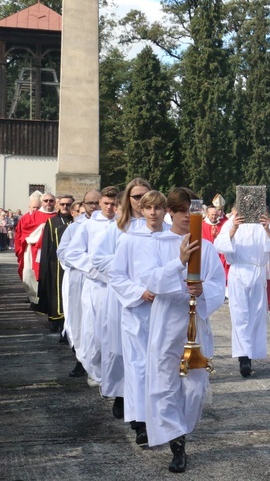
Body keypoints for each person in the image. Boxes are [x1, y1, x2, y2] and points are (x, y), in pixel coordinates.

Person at [139, 188, 225, 473]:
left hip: (194, 322)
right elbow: (150, 279)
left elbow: (218, 284)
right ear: (170, 212)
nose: (188, 216)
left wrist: (203, 290)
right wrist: (178, 263)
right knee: (164, 383)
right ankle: (177, 445)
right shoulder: (156, 243)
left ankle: (183, 429)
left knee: (194, 387)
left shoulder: (207, 246)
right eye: (182, 210)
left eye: (192, 210)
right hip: (167, 320)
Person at [110, 190, 169, 446]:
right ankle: (140, 421)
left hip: (165, 311)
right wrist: (139, 292)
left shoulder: (172, 239)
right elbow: (116, 275)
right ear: (142, 211)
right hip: (137, 311)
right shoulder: (129, 239)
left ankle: (161, 417)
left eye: (158, 208)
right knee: (138, 366)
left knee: (162, 365)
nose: (153, 213)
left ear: (165, 211)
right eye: (149, 208)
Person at [93, 179, 151, 419]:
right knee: (118, 349)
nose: (140, 201)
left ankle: (145, 398)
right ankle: (120, 393)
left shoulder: (159, 225)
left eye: (145, 196)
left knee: (146, 351)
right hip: (121, 295)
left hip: (149, 296)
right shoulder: (117, 227)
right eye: (136, 197)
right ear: (127, 199)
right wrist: (124, 264)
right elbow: (98, 259)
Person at [214, 209, 270, 377]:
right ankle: (243, 357)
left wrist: (268, 230)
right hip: (238, 270)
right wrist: (233, 230)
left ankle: (252, 352)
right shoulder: (232, 222)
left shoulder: (263, 223)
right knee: (240, 314)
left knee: (256, 314)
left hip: (257, 270)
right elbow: (219, 244)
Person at [64, 186, 120, 386]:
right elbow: (73, 253)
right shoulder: (88, 225)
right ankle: (94, 371)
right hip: (96, 285)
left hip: (118, 287)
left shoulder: (123, 224)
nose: (109, 208)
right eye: (105, 203)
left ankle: (113, 376)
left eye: (114, 204)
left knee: (114, 333)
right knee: (93, 332)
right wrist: (94, 269)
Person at [58, 190, 100, 378]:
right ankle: (81, 360)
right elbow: (64, 252)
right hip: (81, 278)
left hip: (103, 282)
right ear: (84, 204)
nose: (94, 206)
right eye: (90, 203)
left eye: (97, 202)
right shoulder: (76, 227)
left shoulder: (114, 224)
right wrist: (88, 264)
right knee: (80, 320)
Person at [37, 194, 75, 336]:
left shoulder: (76, 221)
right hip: (55, 264)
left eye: (68, 204)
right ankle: (56, 321)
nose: (65, 207)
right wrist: (45, 266)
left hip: (72, 265)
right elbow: (47, 245)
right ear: (59, 205)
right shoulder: (52, 222)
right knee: (56, 292)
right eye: (63, 204)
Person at [15, 193, 56, 304]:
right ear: (42, 202)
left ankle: (47, 300)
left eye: (51, 200)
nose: (48, 203)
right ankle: (34, 298)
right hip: (33, 249)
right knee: (29, 274)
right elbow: (24, 232)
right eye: (46, 200)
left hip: (52, 251)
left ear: (55, 202)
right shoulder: (32, 216)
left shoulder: (58, 216)